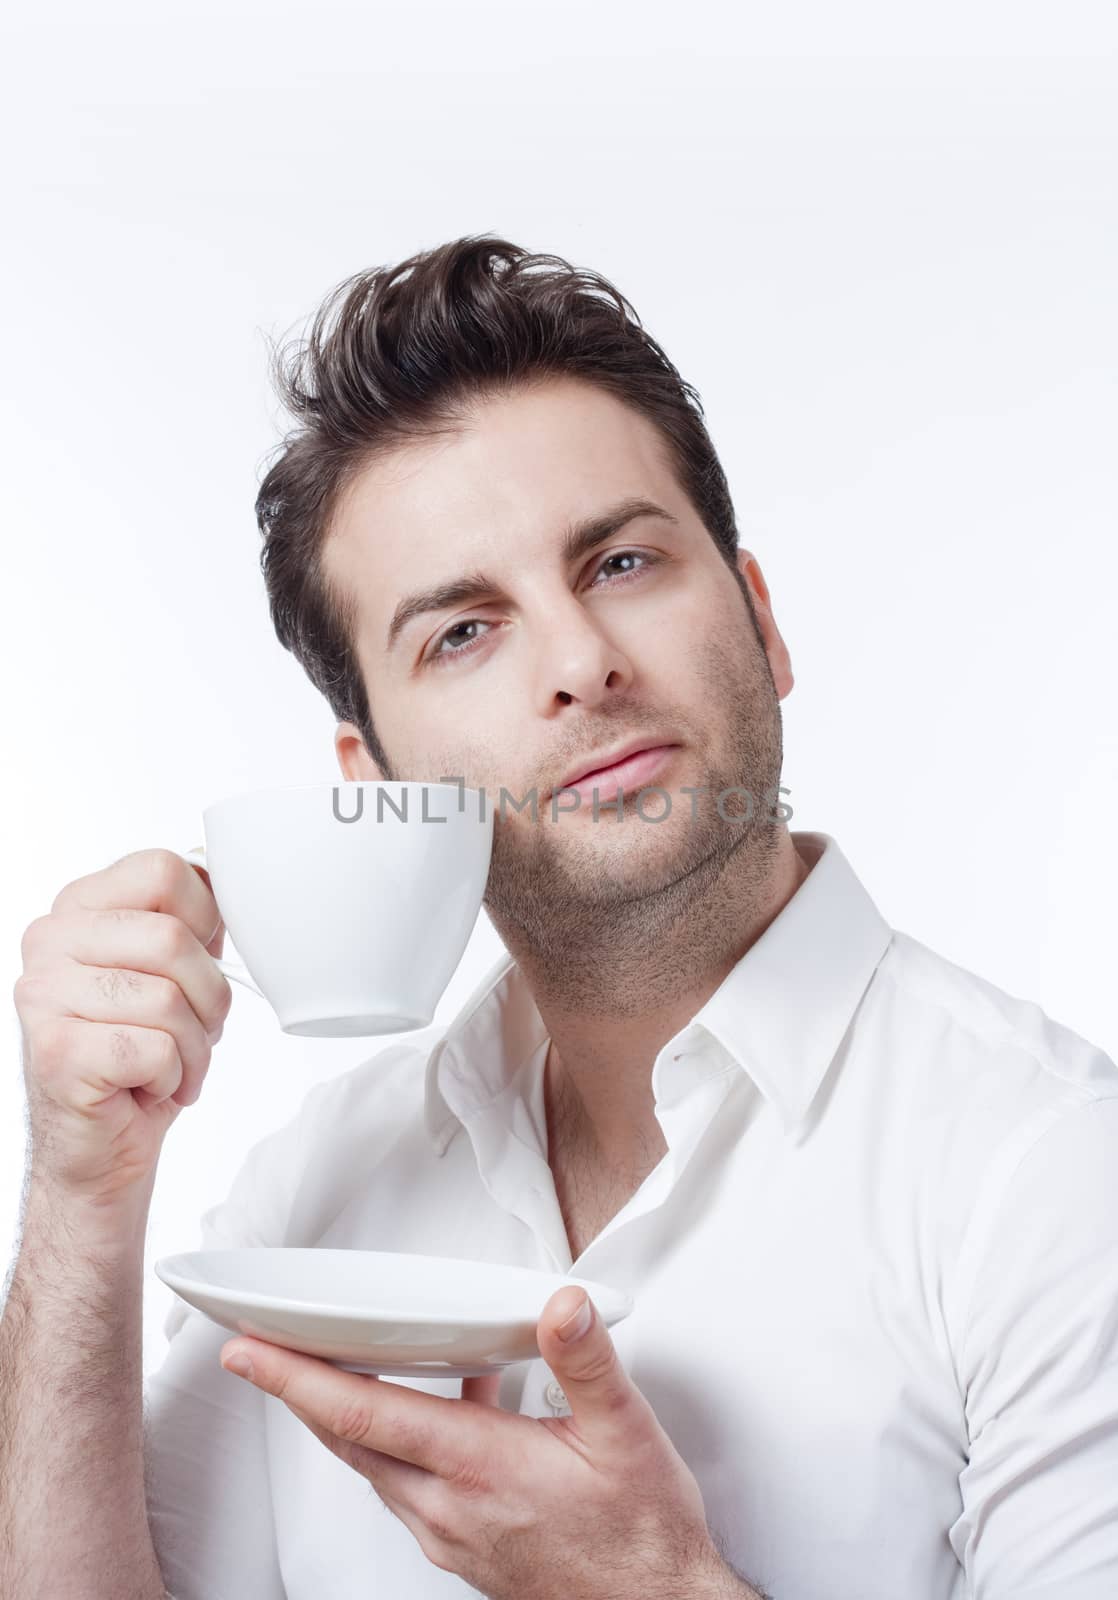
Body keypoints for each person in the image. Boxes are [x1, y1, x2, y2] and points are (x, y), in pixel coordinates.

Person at [3, 235, 1116, 1600]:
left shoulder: (1053, 1178)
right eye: (461, 632)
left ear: (758, 621)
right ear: (380, 786)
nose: (581, 662)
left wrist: (656, 1587)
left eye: (624, 563)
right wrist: (80, 1196)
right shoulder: (319, 1187)